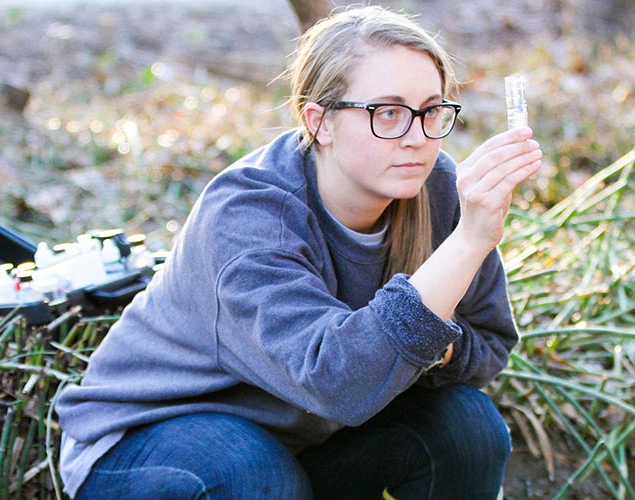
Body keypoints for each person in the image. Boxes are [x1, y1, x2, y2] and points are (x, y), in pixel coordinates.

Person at [55, 5, 542, 499]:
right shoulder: (249, 215)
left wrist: (425, 330)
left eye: (431, 111)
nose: (417, 138)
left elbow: (488, 346)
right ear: (320, 122)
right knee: (251, 471)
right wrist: (466, 245)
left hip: (303, 441)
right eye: (388, 113)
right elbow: (337, 382)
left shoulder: (437, 192)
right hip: (152, 442)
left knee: (466, 428)